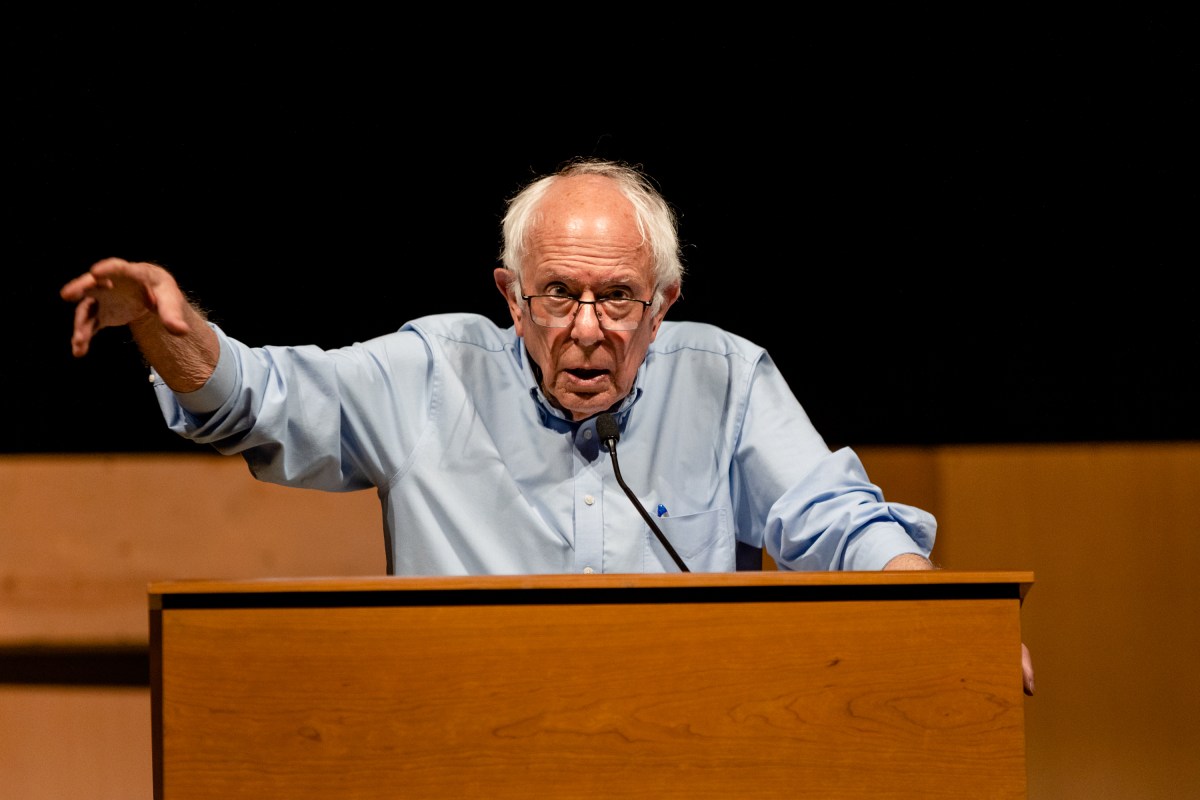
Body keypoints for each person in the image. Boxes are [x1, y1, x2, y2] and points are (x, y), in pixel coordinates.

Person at [61, 157, 1033, 693]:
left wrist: (943, 617)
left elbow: (836, 520)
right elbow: (260, 398)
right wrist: (162, 332)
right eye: (556, 295)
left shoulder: (725, 378)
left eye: (617, 300)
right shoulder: (433, 371)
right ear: (509, 296)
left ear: (664, 303)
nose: (585, 330)